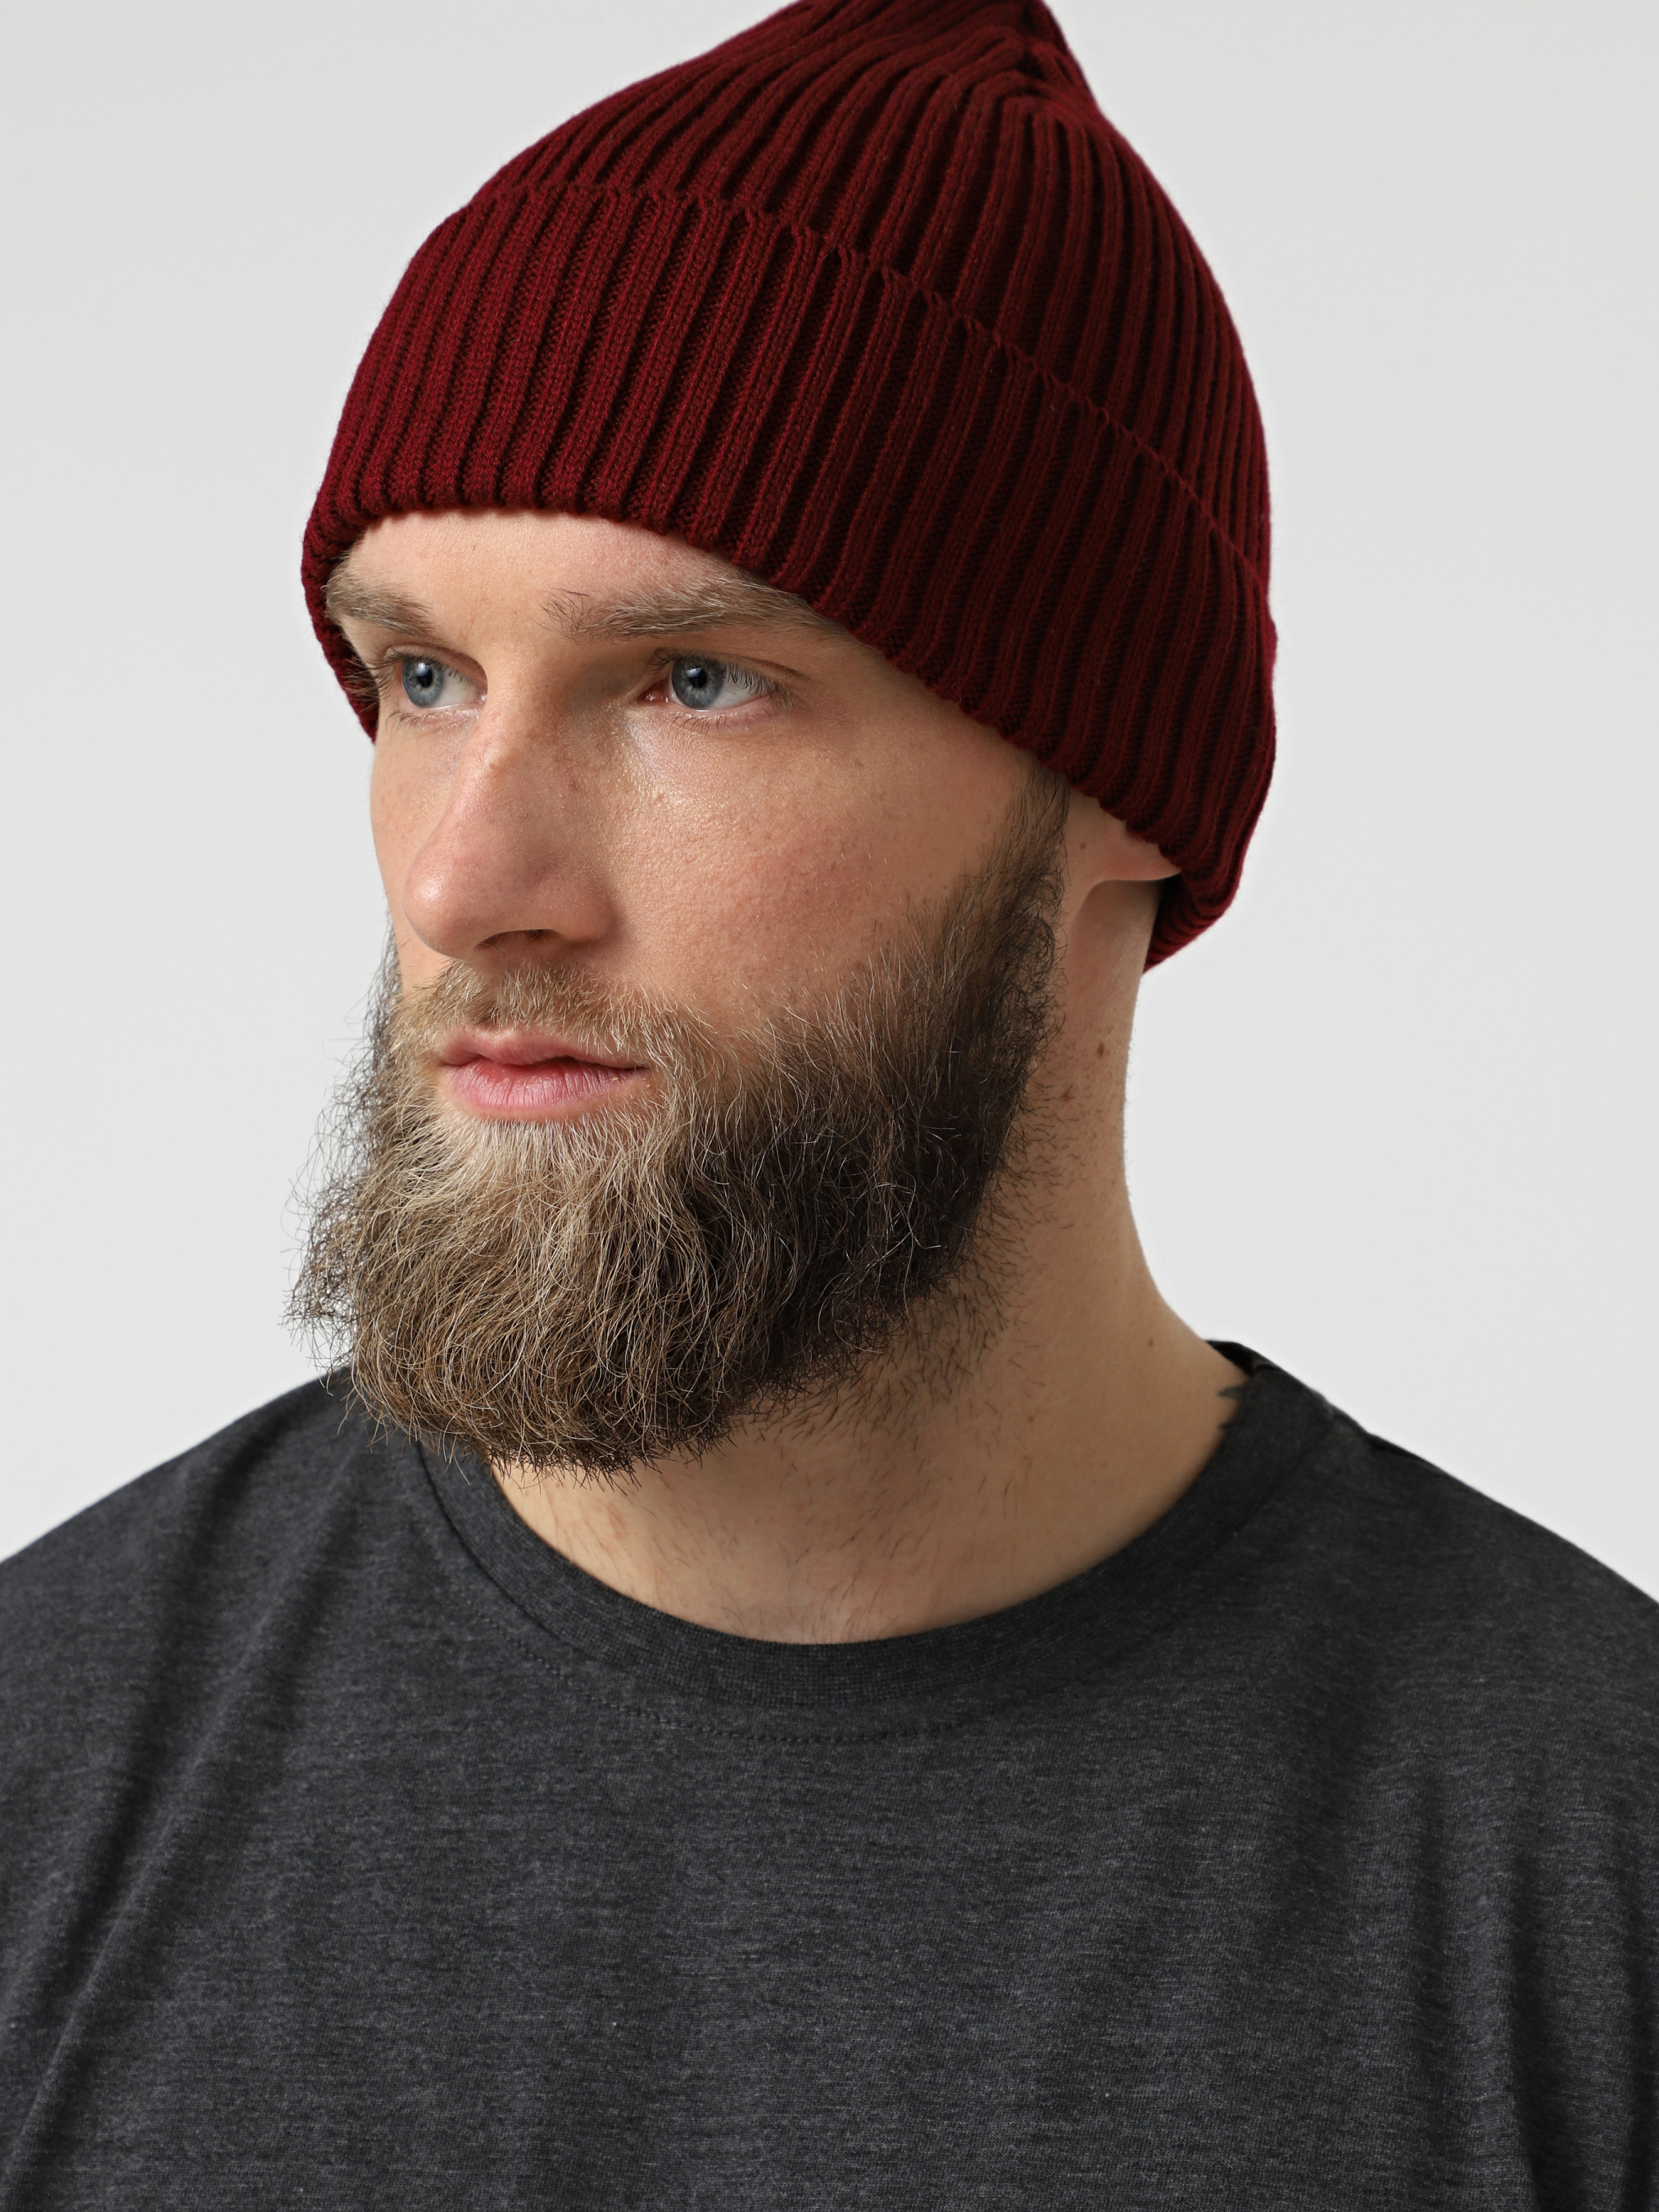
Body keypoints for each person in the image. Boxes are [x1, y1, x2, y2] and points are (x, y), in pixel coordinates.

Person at [1, 0, 1652, 2200]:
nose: (460, 881)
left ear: (1118, 790)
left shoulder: (1587, 1886)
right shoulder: (49, 1776)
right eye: (422, 676)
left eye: (694, 681)